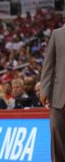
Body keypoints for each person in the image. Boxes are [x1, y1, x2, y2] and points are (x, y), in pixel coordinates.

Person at [40, 26, 65, 162]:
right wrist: (44, 89)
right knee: (56, 137)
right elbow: (48, 65)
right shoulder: (57, 34)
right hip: (59, 97)